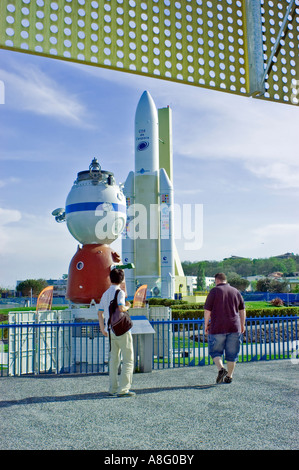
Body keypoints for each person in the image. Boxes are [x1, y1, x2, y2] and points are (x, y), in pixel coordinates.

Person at [98, 268, 135, 397]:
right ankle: (123, 389)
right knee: (128, 359)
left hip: (110, 331)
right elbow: (121, 307)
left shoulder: (105, 293)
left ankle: (112, 388)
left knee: (113, 360)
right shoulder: (120, 292)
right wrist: (128, 306)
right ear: (122, 279)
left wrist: (102, 328)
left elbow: (100, 312)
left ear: (110, 278)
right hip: (122, 331)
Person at [204, 273, 246, 384]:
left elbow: (207, 310)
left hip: (217, 327)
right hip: (234, 327)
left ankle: (221, 369)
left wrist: (205, 325)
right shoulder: (235, 291)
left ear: (216, 280)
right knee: (232, 354)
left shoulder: (214, 291)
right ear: (225, 280)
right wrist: (242, 324)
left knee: (215, 352)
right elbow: (242, 310)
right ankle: (229, 376)